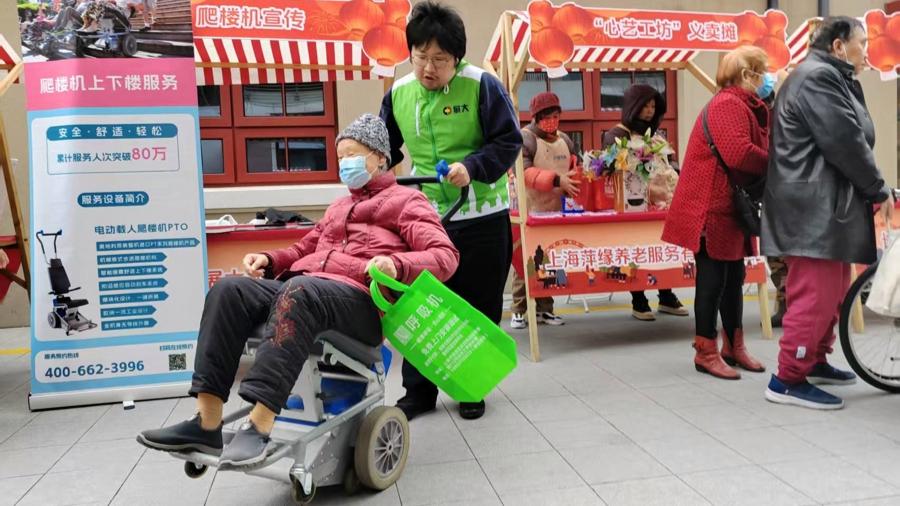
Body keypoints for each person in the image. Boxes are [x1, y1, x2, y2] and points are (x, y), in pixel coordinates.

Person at [137, 114, 459, 467]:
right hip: (309, 291)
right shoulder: (338, 207)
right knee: (229, 290)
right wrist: (269, 259)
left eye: (352, 155)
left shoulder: (408, 202)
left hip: (361, 302)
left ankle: (259, 426)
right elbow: (304, 249)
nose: (344, 164)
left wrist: (396, 265)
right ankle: (206, 423)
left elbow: (445, 256)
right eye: (340, 158)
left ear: (380, 157)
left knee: (299, 290)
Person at [380, 1, 522, 421]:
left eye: (440, 59)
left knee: (478, 304)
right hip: (424, 218)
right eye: (421, 56)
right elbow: (385, 148)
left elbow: (508, 141)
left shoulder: (482, 86)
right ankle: (418, 392)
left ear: (457, 58)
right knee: (421, 304)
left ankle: (471, 386)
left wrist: (472, 167)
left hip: (481, 214)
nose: (429, 68)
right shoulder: (399, 93)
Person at [762, 17, 895, 410]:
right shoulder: (818, 78)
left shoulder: (828, 76)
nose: (866, 50)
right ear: (838, 46)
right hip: (811, 210)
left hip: (823, 207)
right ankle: (787, 378)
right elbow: (846, 141)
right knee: (815, 295)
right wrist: (878, 188)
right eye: (861, 42)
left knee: (834, 290)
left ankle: (815, 360)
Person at [662, 46, 772, 380]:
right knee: (712, 282)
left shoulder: (742, 104)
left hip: (728, 208)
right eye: (761, 71)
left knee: (734, 279)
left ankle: (734, 346)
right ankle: (705, 351)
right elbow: (739, 153)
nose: (765, 78)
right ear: (746, 74)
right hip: (709, 208)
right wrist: (781, 161)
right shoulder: (728, 104)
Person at [601, 84, 689, 321]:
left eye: (653, 106)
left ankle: (666, 295)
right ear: (634, 106)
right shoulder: (616, 134)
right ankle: (638, 300)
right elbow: (610, 169)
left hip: (663, 205)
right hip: (634, 206)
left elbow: (672, 163)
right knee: (637, 252)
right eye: (645, 106)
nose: (650, 111)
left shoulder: (657, 135)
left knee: (662, 251)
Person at [509, 92, 578, 330]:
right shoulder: (525, 138)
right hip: (529, 211)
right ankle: (519, 310)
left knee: (550, 261)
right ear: (536, 117)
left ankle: (546, 309)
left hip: (556, 212)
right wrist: (558, 180)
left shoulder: (565, 140)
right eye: (546, 117)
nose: (551, 121)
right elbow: (524, 172)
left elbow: (574, 165)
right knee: (525, 263)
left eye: (555, 116)